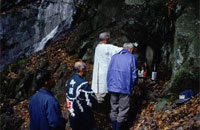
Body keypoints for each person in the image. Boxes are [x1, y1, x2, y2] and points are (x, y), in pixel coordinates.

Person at [107, 43, 138, 130]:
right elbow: (134, 74)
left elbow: (109, 72)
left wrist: (109, 86)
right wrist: (133, 86)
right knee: (123, 109)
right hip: (124, 87)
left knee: (113, 108)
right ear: (131, 49)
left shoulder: (114, 57)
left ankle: (113, 127)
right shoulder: (132, 57)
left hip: (112, 87)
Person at [91, 32, 122, 104]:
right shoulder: (107, 47)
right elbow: (120, 50)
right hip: (104, 74)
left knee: (98, 95)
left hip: (97, 75)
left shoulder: (97, 47)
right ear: (106, 39)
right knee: (102, 95)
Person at [66, 61, 97, 130]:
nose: (86, 70)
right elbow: (92, 100)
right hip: (83, 120)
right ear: (82, 70)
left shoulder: (68, 82)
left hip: (72, 118)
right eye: (85, 68)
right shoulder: (83, 84)